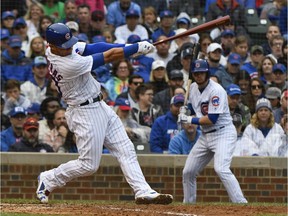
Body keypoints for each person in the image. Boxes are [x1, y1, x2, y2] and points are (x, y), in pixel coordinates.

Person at [36, 22, 173, 205]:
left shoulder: (56, 47)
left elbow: (95, 47)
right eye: (65, 47)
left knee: (126, 149)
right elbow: (107, 56)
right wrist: (135, 48)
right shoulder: (67, 64)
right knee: (89, 165)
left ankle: (143, 190)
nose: (69, 49)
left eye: (70, 45)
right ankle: (49, 178)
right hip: (84, 112)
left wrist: (129, 47)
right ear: (52, 46)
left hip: (100, 105)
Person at [178, 59, 247, 203]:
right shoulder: (192, 88)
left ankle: (241, 203)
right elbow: (193, 106)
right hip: (205, 135)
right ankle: (188, 204)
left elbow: (212, 119)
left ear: (207, 73)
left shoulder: (217, 90)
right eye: (196, 73)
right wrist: (186, 109)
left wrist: (189, 119)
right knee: (188, 171)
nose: (198, 76)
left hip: (223, 133)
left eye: (201, 72)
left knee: (221, 168)